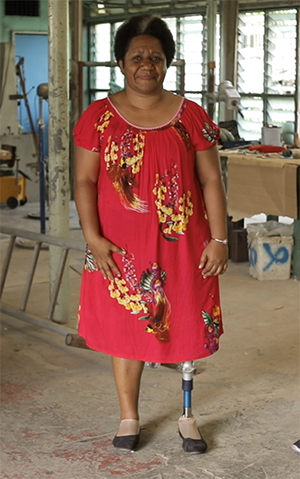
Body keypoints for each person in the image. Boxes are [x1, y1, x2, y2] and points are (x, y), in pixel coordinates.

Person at [73, 14, 228, 454]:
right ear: (121, 61)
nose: (147, 64)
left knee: (184, 322)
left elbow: (211, 180)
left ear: (167, 64)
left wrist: (218, 239)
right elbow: (84, 181)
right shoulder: (99, 116)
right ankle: (129, 415)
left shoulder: (191, 116)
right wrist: (93, 238)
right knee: (126, 329)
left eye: (156, 58)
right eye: (137, 56)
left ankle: (186, 415)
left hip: (186, 246)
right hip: (118, 247)